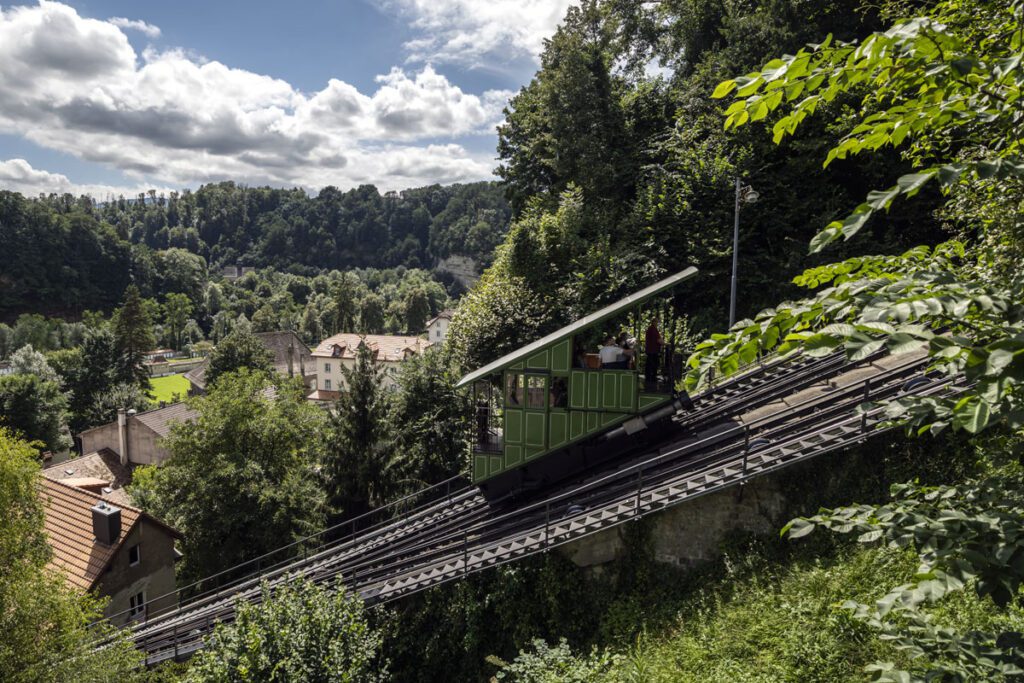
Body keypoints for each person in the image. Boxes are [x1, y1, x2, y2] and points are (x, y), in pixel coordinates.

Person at [645, 321, 663, 386]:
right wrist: (663, 343)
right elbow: (658, 340)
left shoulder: (650, 329)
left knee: (650, 364)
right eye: (657, 322)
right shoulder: (653, 329)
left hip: (651, 350)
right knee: (653, 364)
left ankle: (649, 377)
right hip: (653, 350)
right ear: (654, 323)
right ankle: (651, 378)